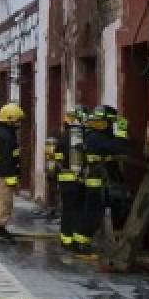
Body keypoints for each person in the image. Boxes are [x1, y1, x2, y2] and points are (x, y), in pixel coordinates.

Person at [73, 105, 128, 258]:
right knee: (93, 214)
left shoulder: (93, 135)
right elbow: (119, 147)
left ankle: (85, 242)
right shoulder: (96, 137)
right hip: (97, 183)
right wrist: (122, 131)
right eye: (98, 122)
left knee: (107, 211)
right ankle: (81, 244)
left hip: (101, 181)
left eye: (102, 122)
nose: (100, 125)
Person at [0, 103, 24, 244]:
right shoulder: (6, 136)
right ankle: (0, 231)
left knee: (0, 201)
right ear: (9, 119)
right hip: (4, 175)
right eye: (17, 120)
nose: (19, 123)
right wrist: (12, 177)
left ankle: (1, 229)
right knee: (4, 202)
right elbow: (7, 159)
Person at [55, 107, 87, 252]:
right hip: (76, 181)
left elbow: (58, 160)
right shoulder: (79, 137)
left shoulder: (63, 136)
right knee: (76, 211)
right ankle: (72, 241)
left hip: (64, 181)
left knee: (67, 210)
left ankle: (65, 240)